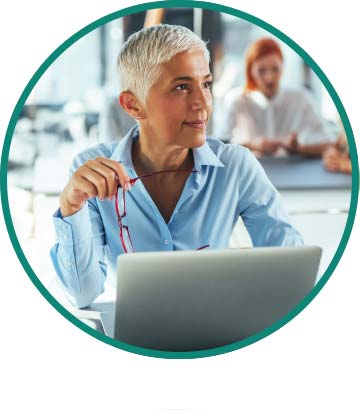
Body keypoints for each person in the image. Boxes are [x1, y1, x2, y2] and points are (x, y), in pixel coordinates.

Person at [50, 25, 303, 309]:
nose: (202, 104)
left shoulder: (235, 166)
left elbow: (290, 272)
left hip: (218, 327)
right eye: (181, 87)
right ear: (133, 106)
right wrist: (71, 208)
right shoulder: (92, 171)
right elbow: (81, 294)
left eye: (206, 84)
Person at [222, 37, 332, 156]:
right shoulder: (236, 99)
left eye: (275, 69)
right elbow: (220, 144)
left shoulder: (300, 98)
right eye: (261, 71)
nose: (269, 78)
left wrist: (297, 148)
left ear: (282, 67)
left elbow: (327, 143)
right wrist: (253, 145)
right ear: (250, 71)